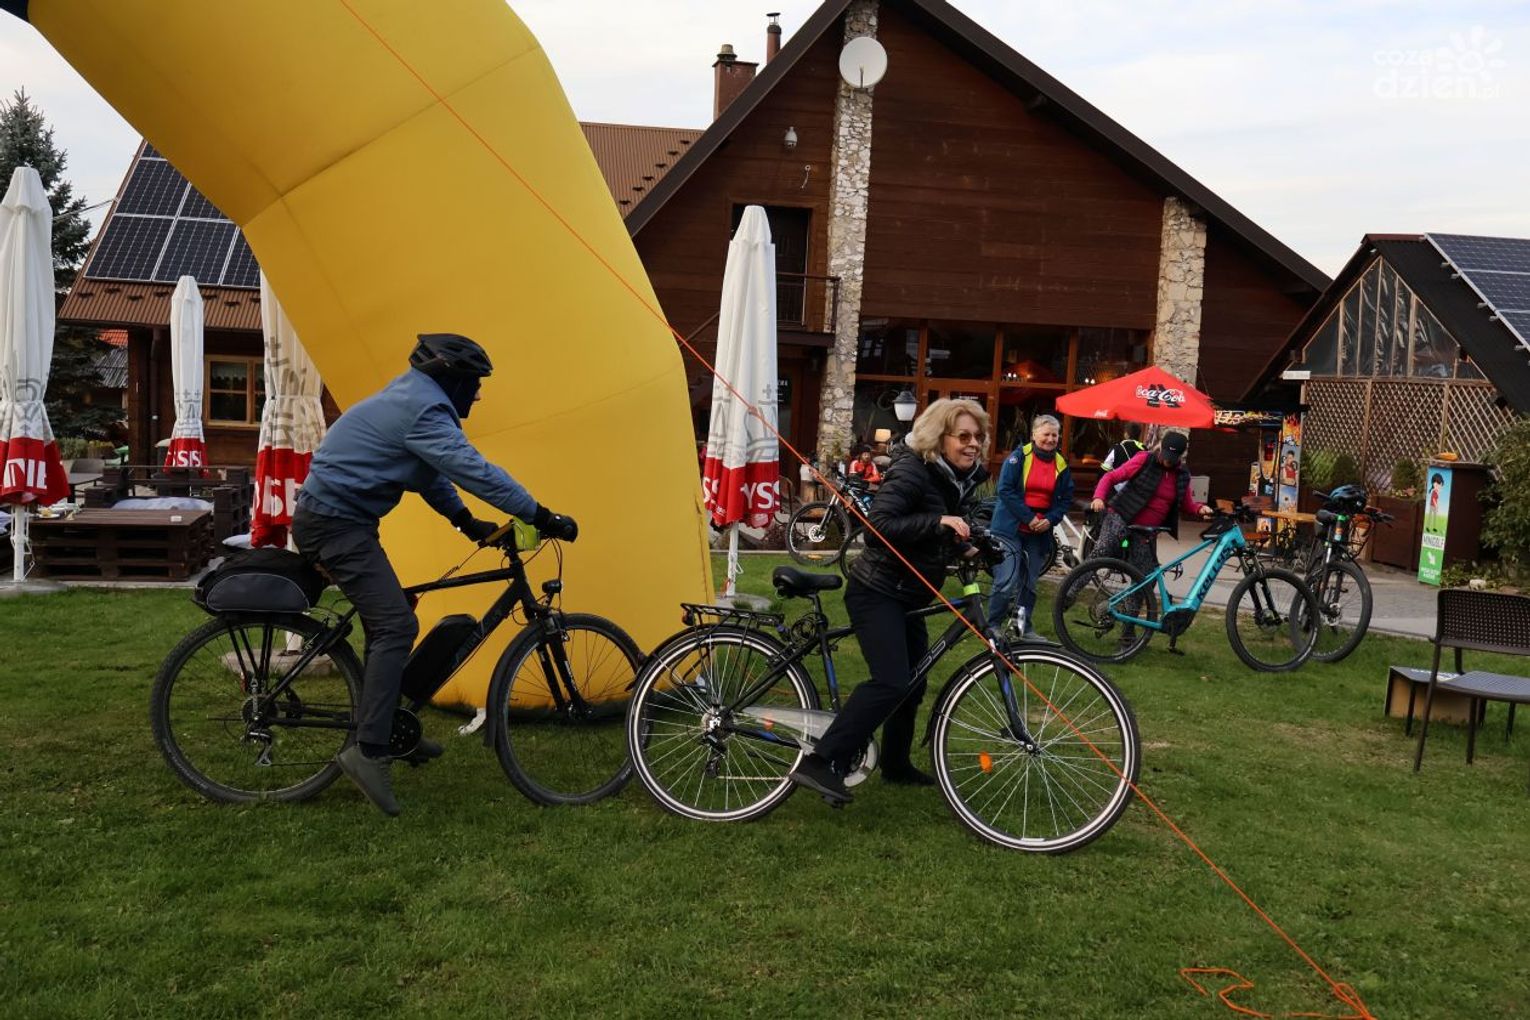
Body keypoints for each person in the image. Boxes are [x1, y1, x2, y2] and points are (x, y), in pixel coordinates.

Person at [292, 333, 579, 816]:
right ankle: (369, 751)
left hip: (343, 520)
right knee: (395, 625)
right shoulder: (423, 410)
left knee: (392, 619)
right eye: (475, 383)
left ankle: (386, 725)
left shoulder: (414, 401)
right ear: (453, 379)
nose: (478, 394)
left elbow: (429, 474)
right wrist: (540, 514)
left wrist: (466, 521)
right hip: (334, 524)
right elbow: (474, 470)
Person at [789, 399, 990, 804]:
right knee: (891, 680)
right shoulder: (913, 470)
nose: (973, 444)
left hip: (909, 592)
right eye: (964, 436)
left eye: (979, 437)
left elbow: (935, 529)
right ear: (940, 438)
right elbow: (878, 526)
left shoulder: (955, 478)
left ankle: (896, 765)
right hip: (877, 590)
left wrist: (966, 545)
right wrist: (938, 522)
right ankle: (819, 762)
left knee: (913, 682)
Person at [1089, 431, 1213, 644]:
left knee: (1144, 580)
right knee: (1101, 552)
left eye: (1173, 458)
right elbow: (1110, 477)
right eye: (1165, 455)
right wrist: (1099, 497)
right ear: (1160, 448)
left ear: (1181, 457)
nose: (1167, 461)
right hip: (1121, 516)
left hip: (1146, 532)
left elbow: (1187, 504)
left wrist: (1200, 509)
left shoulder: (1182, 474)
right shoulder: (1144, 460)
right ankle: (1069, 593)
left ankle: (1127, 633)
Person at [987, 414, 1073, 640]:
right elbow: (1005, 490)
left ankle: (1021, 629)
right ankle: (993, 625)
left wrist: (1050, 519)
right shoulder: (1018, 457)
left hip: (1039, 533)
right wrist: (1029, 517)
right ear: (1034, 435)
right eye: (1046, 434)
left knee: (1029, 585)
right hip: (1009, 528)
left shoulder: (1061, 464)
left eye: (1055, 435)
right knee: (1006, 580)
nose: (1051, 439)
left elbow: (1066, 499)